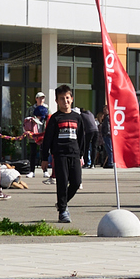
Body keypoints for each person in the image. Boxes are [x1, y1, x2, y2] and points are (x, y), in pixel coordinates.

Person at [40, 84, 88, 224]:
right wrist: (44, 158)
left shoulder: (77, 117)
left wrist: (81, 155)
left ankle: (62, 202)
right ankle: (63, 211)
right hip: (60, 154)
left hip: (75, 154)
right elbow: (47, 139)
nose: (65, 101)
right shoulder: (55, 118)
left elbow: (81, 138)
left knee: (76, 182)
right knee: (62, 182)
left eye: (67, 98)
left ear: (71, 99)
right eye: (61, 98)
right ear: (57, 101)